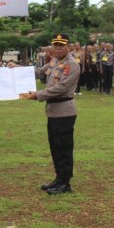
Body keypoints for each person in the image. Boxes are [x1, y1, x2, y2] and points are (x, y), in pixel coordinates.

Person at [23, 33, 80, 195]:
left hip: (64, 111)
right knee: (55, 147)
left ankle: (65, 183)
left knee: (64, 148)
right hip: (53, 111)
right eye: (55, 45)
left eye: (61, 45)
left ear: (67, 46)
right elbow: (40, 72)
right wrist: (17, 69)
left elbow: (61, 88)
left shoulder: (72, 65)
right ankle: (58, 178)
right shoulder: (54, 61)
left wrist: (37, 95)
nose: (58, 48)